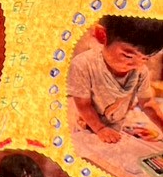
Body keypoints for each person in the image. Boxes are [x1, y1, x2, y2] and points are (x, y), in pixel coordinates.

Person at [69, 14, 163, 145]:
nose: (137, 65)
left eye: (144, 59)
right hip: (86, 127)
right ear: (102, 36)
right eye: (128, 56)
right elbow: (83, 105)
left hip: (116, 127)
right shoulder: (84, 64)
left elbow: (147, 103)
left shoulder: (140, 71)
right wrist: (100, 129)